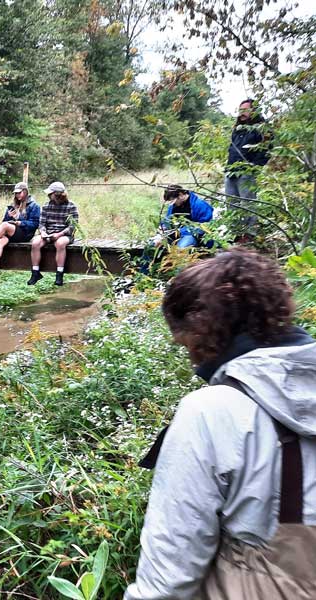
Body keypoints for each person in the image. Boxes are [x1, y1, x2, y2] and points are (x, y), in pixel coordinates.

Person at [126, 250, 316, 600]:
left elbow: (169, 577)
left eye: (183, 341)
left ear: (202, 328)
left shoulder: (212, 411)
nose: (188, 356)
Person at [225, 98, 269, 235]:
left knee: (248, 205)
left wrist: (254, 166)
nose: (242, 113)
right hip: (231, 171)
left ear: (254, 111)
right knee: (231, 205)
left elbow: (266, 150)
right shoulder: (237, 130)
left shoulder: (260, 129)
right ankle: (234, 235)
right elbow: (232, 149)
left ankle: (250, 235)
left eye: (246, 110)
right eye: (240, 110)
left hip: (247, 173)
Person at [0, 182, 40, 277]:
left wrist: (20, 222)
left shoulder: (34, 205)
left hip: (25, 234)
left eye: (19, 192)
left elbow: (35, 224)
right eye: (16, 193)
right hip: (12, 232)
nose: (17, 195)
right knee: (1, 241)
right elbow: (5, 221)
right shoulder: (13, 205)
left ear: (25, 191)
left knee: (5, 225)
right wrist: (10, 217)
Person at [28, 182, 78, 287]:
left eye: (50, 193)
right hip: (48, 233)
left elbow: (73, 226)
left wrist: (59, 234)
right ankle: (35, 273)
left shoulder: (71, 206)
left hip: (64, 234)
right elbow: (41, 224)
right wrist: (43, 232)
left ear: (57, 194)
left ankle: (59, 274)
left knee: (60, 244)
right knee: (35, 242)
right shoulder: (46, 205)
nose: (48, 195)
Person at [158, 185, 214, 249]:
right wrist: (163, 228)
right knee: (152, 245)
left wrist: (180, 231)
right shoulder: (173, 206)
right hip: (173, 235)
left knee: (180, 249)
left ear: (181, 195)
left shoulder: (200, 205)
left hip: (192, 236)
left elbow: (205, 226)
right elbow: (167, 220)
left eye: (173, 201)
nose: (173, 204)